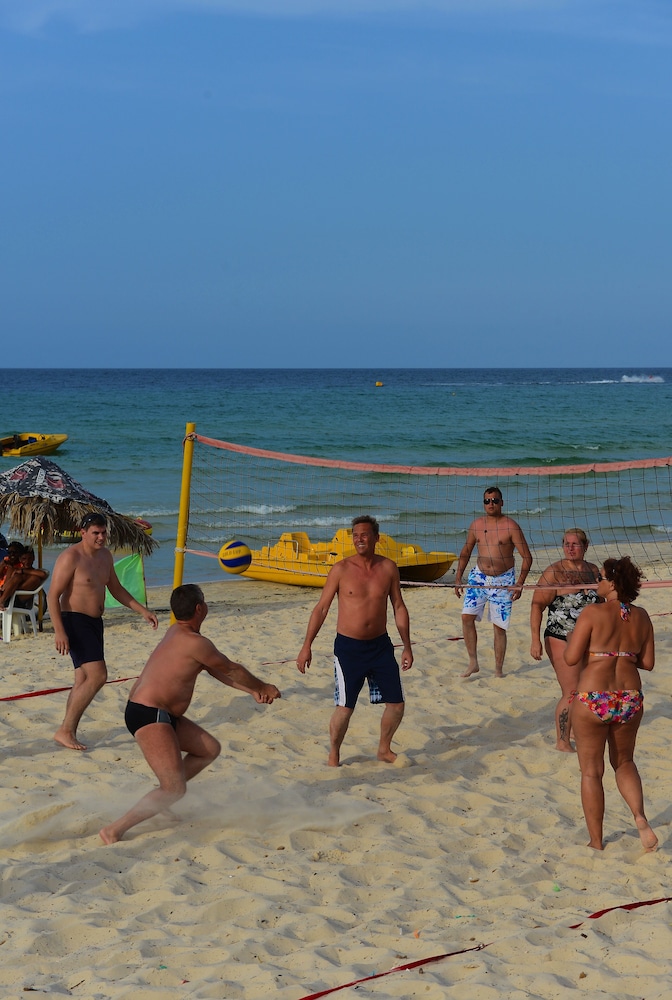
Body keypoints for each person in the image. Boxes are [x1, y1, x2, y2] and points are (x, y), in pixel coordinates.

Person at [99, 584, 281, 844]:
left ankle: (162, 799)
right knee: (174, 788)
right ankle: (114, 830)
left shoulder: (177, 631)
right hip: (149, 714)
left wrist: (251, 691)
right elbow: (231, 668)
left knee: (208, 749)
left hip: (157, 713)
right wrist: (263, 686)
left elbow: (214, 669)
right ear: (199, 608)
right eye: (204, 601)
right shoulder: (196, 642)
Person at [296, 515, 413, 767]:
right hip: (349, 649)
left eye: (365, 535)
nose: (359, 539)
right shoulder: (341, 569)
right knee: (345, 707)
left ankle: (384, 749)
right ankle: (334, 753)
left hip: (381, 646)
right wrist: (307, 646)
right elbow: (321, 609)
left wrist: (407, 646)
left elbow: (398, 606)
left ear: (376, 538)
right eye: (356, 535)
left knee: (396, 705)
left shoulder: (388, 568)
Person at [565, 556, 657, 852]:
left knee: (592, 772)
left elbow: (571, 658)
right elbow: (648, 663)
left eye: (601, 578)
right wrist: (623, 654)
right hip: (629, 697)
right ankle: (640, 817)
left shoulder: (592, 612)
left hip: (594, 696)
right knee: (625, 762)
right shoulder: (642, 616)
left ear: (613, 583)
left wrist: (574, 639)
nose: (597, 583)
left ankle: (596, 841)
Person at [48, 512, 159, 751]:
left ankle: (68, 731)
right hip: (74, 621)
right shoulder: (71, 557)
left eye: (103, 532)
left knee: (82, 679)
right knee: (98, 676)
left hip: (95, 623)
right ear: (83, 533)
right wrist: (59, 631)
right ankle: (65, 730)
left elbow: (116, 589)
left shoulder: (106, 556)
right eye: (95, 533)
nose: (100, 537)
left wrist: (142, 610)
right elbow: (52, 595)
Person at [529, 530, 601, 751]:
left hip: (588, 639)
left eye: (575, 544)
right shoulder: (554, 572)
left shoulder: (593, 571)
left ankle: (576, 732)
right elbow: (537, 606)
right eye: (566, 544)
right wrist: (535, 640)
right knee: (571, 691)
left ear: (585, 546)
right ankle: (562, 742)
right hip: (559, 636)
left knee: (585, 689)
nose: (570, 548)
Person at [454, 487, 532, 678]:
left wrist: (520, 583)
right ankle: (473, 662)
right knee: (466, 618)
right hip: (479, 577)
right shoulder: (477, 525)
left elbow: (527, 557)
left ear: (501, 503)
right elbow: (465, 552)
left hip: (503, 580)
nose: (491, 504)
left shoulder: (511, 526)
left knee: (499, 626)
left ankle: (498, 670)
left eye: (495, 500)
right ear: (483, 503)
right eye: (487, 501)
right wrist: (458, 578)